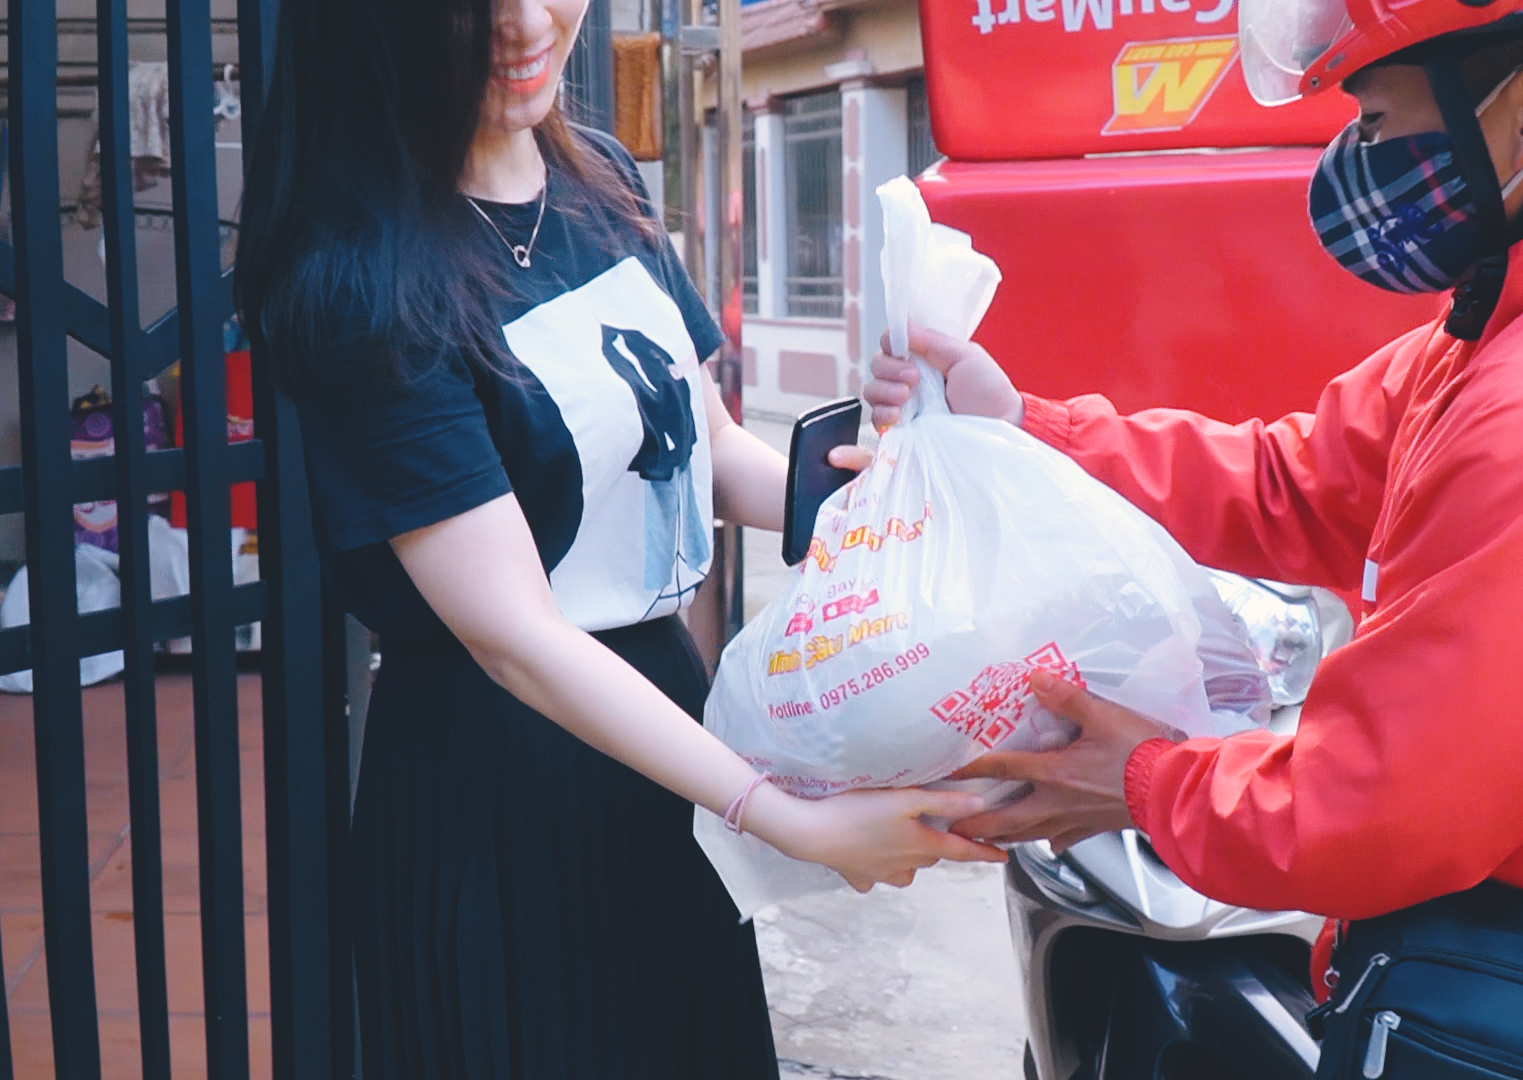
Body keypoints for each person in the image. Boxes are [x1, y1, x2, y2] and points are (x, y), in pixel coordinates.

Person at [864, 0, 1523, 1070]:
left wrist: (1142, 781)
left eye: (1374, 118)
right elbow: (1294, 483)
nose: (1355, 158)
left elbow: (1380, 813)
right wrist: (1025, 428)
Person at [234, 0, 1003, 1075]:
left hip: (666, 738)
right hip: (503, 781)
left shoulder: (600, 179)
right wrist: (782, 818)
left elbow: (706, 445)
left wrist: (879, 482)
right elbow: (516, 637)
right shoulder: (365, 277)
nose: (525, 25)